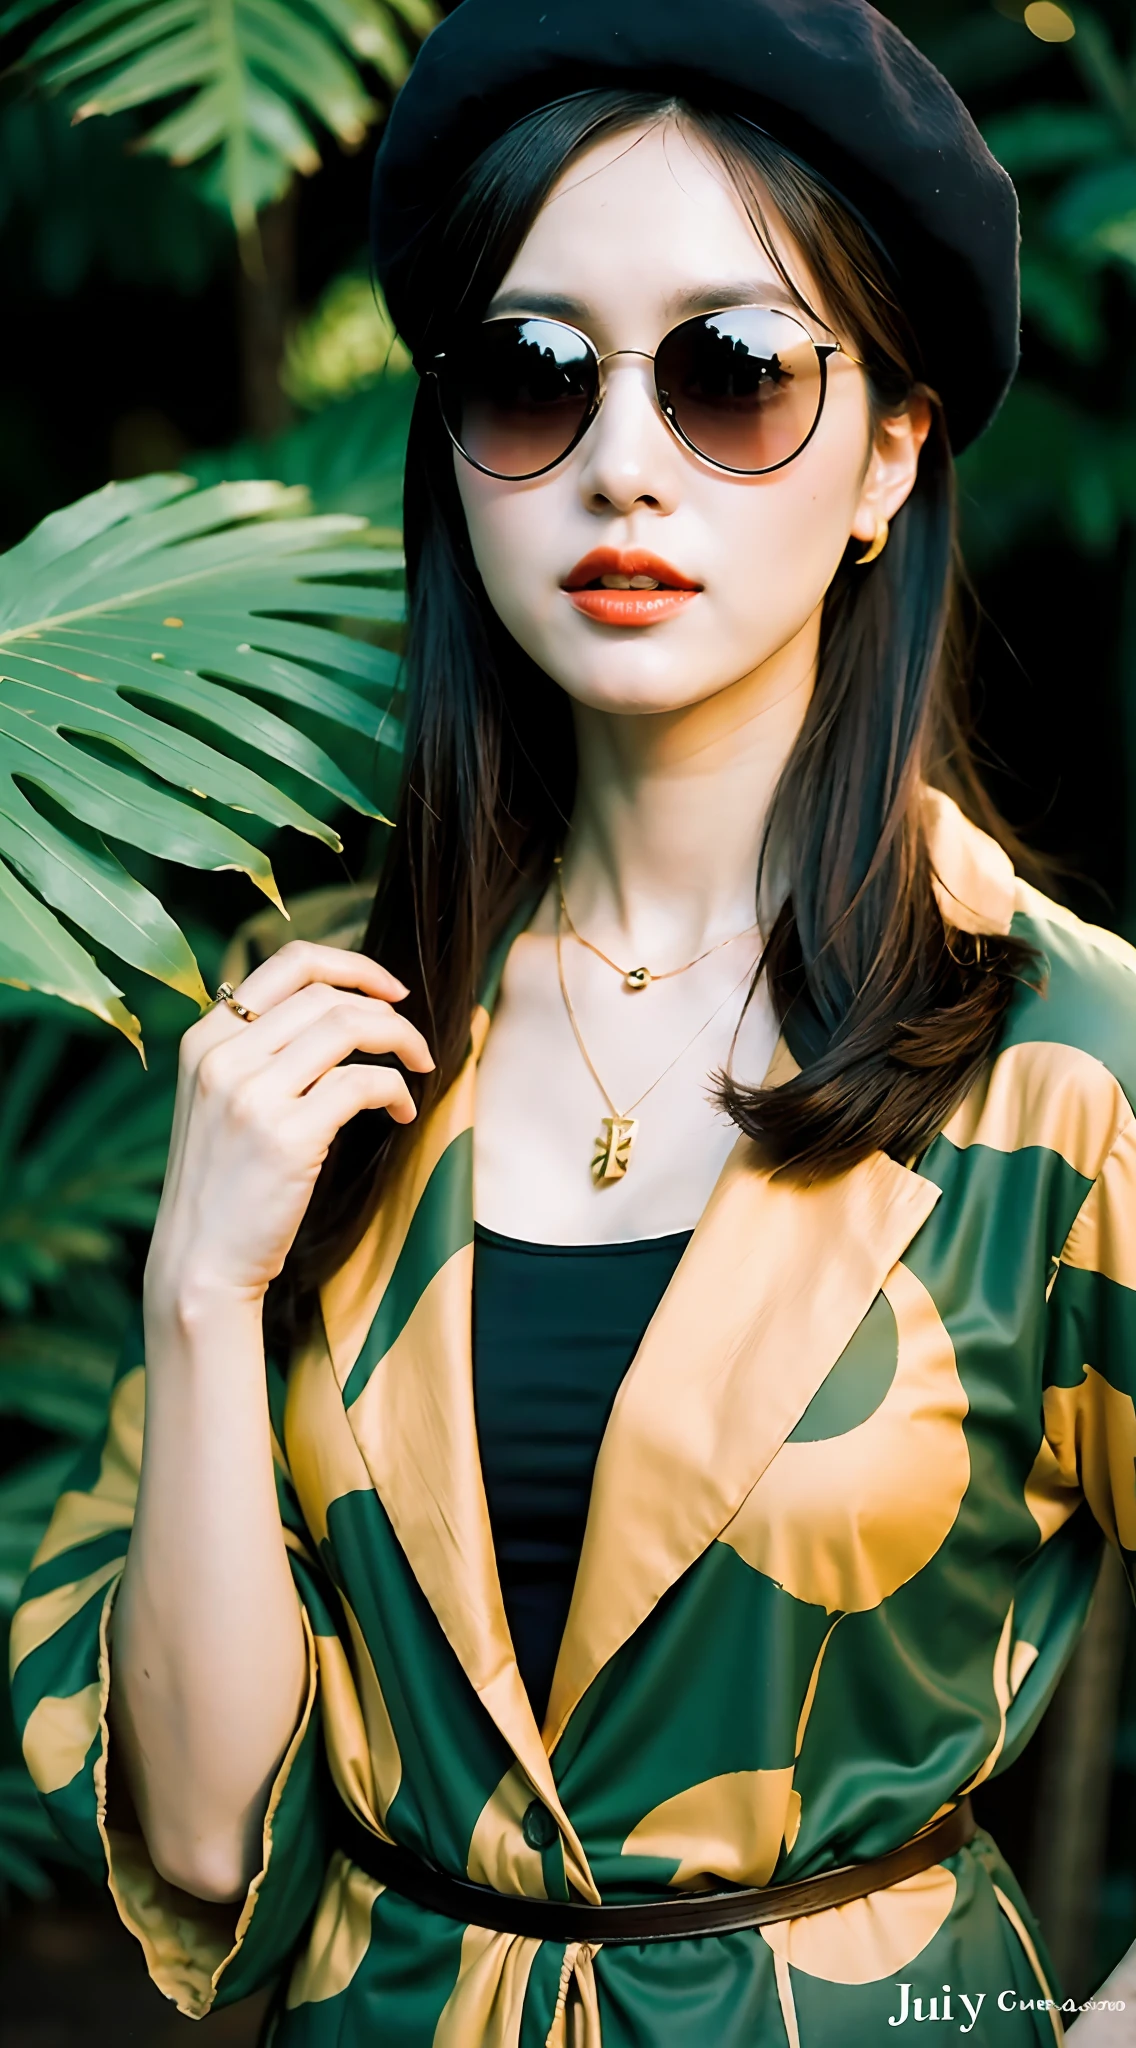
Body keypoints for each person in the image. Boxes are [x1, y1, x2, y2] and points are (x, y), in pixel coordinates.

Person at [11, 2, 1136, 2041]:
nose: (623, 460)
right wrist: (200, 1287)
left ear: (890, 447)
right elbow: (194, 1834)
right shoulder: (320, 1032)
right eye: (534, 377)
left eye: (732, 374)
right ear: (455, 447)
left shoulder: (1070, 1064)